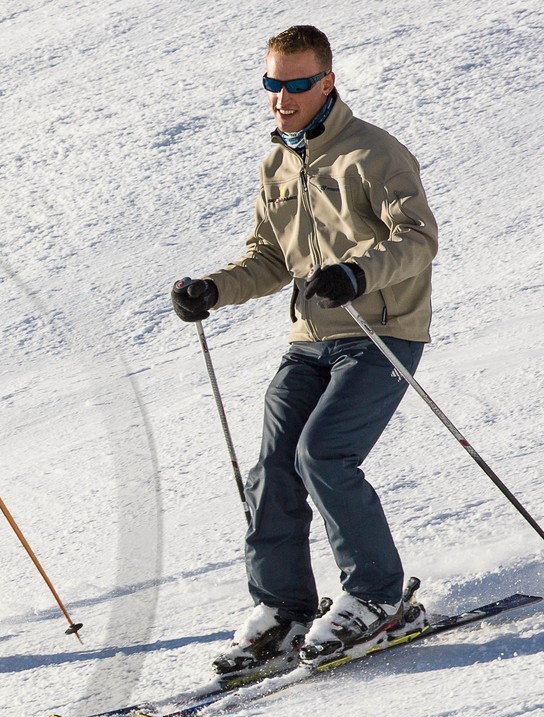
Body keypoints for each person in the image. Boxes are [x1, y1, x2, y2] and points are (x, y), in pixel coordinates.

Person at [171, 25, 438, 675]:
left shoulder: (374, 153)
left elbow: (417, 238)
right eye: (272, 83)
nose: (281, 98)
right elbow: (269, 258)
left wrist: (358, 273)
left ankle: (377, 597)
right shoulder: (278, 164)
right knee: (272, 468)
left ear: (327, 82)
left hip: (381, 332)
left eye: (296, 84)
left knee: (324, 453)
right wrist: (213, 289)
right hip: (310, 340)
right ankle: (283, 610)